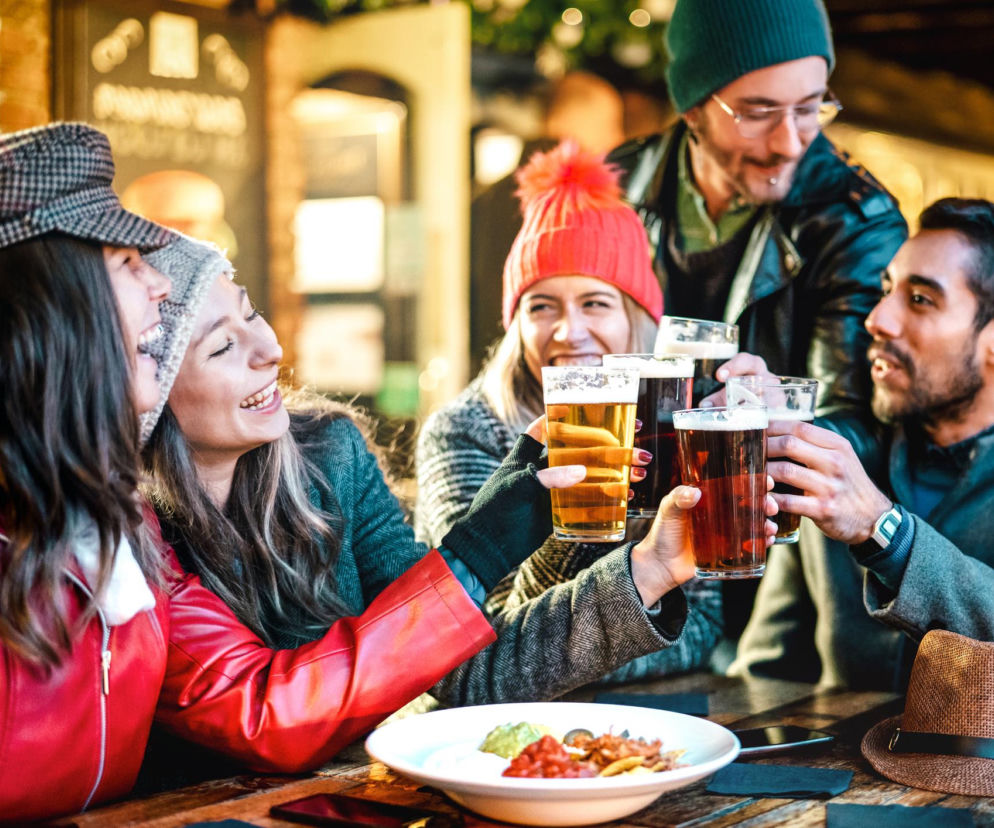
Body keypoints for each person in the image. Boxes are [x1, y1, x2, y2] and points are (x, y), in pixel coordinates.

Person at [0, 121, 537, 821]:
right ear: (58, 311)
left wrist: (483, 548)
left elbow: (260, 708)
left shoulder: (114, 522)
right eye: (127, 263)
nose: (159, 284)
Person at [135, 207, 769, 779]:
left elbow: (465, 676)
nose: (271, 349)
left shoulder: (330, 454)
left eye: (253, 313)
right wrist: (476, 550)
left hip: (361, 794)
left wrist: (647, 571)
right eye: (222, 345)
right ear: (144, 390)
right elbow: (272, 719)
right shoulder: (128, 534)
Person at [607, 0, 909, 649]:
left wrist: (789, 426)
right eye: (758, 112)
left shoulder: (855, 219)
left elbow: (867, 422)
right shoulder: (616, 188)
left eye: (810, 107)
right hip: (620, 565)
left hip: (768, 573)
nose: (791, 141)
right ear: (691, 105)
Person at [417, 139, 724, 682]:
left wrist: (555, 652)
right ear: (516, 324)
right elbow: (478, 644)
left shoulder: (675, 425)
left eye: (595, 303)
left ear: (638, 318)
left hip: (653, 727)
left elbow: (699, 630)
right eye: (541, 306)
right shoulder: (465, 430)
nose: (569, 331)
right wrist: (576, 515)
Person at [731, 198, 994, 689]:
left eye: (920, 300)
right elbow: (767, 674)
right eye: (886, 291)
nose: (877, 320)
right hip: (836, 763)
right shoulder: (838, 462)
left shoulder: (852, 488)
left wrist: (883, 531)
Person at [470, 71, 626, 373]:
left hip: (492, 371)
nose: (618, 139)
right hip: (561, 373)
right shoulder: (584, 202)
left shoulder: (486, 197)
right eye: (612, 125)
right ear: (577, 124)